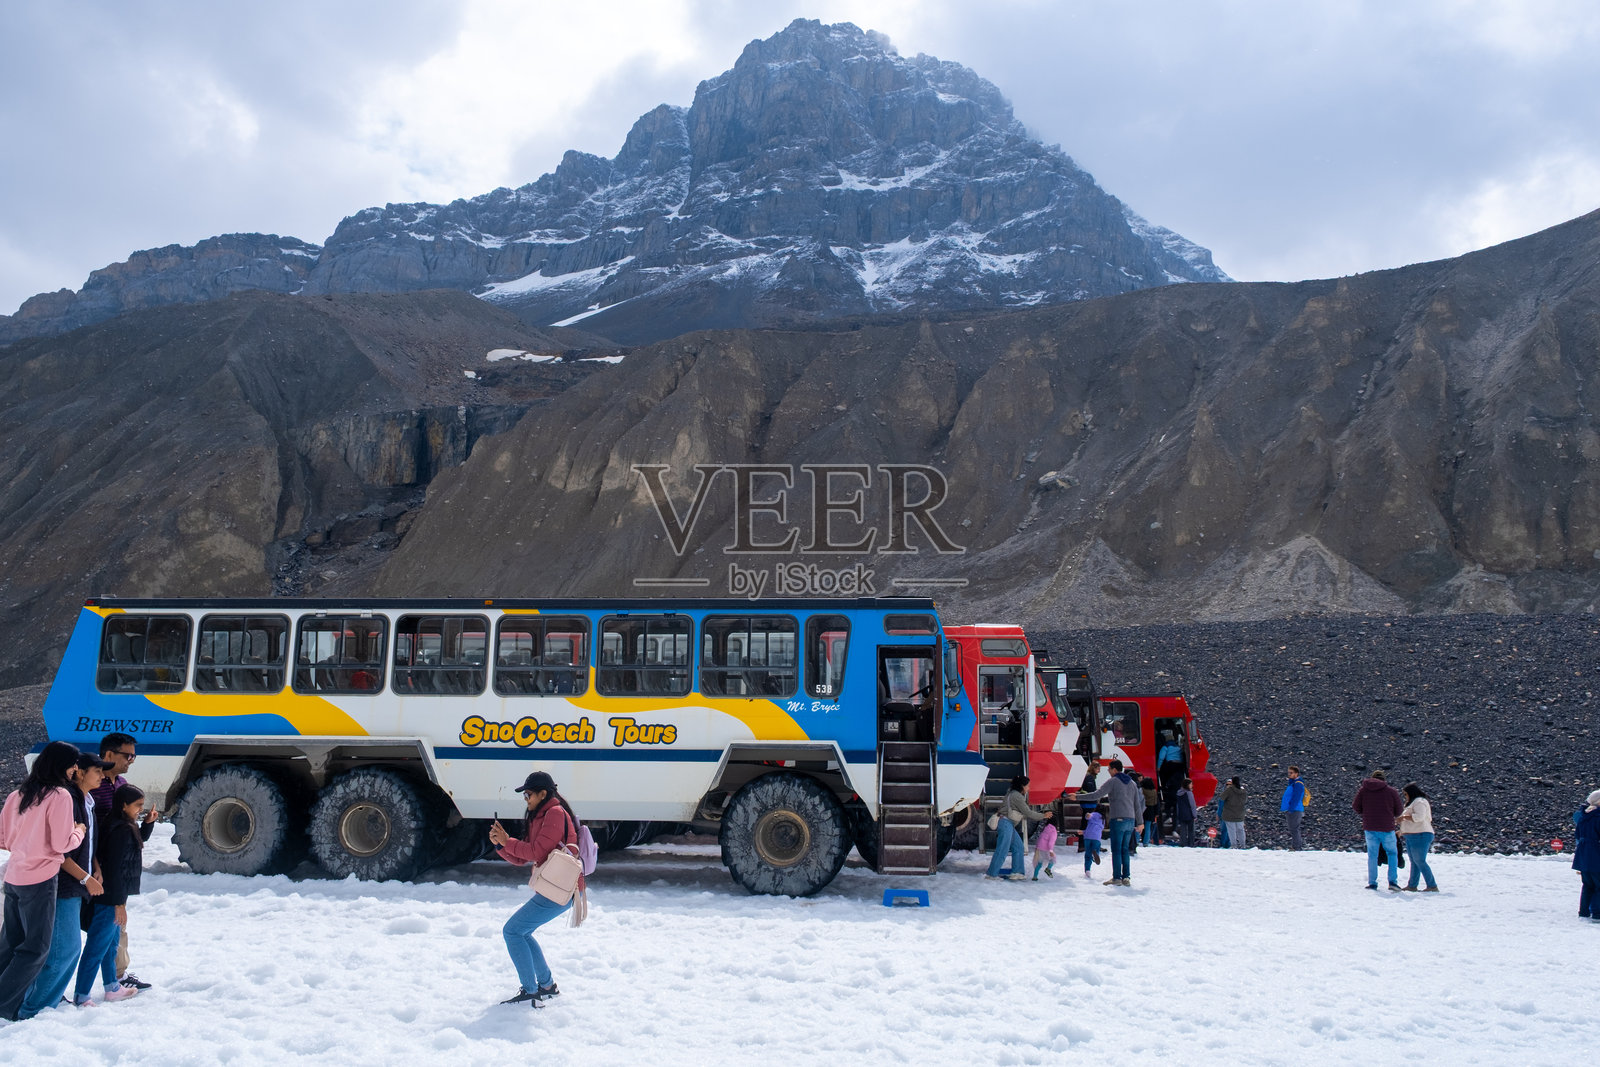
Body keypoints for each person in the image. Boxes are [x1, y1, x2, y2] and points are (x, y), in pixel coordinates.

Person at [16, 752, 112, 1018]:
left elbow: (85, 841)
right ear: (79, 772)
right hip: (62, 885)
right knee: (64, 950)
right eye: (97, 771)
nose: (102, 776)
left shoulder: (85, 800)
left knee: (60, 949)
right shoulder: (67, 800)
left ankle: (49, 1000)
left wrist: (95, 866)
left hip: (75, 884)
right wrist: (85, 877)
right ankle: (33, 1009)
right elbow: (60, 852)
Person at [0, 741, 85, 1021]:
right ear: (63, 765)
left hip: (14, 876)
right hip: (41, 879)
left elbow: (3, 839)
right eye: (74, 764)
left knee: (10, 945)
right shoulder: (60, 795)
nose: (76, 769)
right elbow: (62, 844)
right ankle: (3, 1007)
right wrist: (79, 832)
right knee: (35, 949)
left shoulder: (17, 794)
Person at [490, 771, 585, 1005]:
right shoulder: (540, 815)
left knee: (512, 931)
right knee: (521, 931)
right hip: (556, 888)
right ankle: (546, 985)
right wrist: (501, 846)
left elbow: (536, 852)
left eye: (529, 794)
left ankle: (532, 990)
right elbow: (524, 858)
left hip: (563, 890)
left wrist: (506, 841)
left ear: (543, 793)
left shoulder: (553, 813)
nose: (527, 799)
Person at [74, 784, 153, 1005]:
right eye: (138, 805)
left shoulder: (118, 824)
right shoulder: (120, 829)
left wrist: (148, 823)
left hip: (112, 896)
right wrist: (119, 903)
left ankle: (112, 987)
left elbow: (137, 841)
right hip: (109, 897)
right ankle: (82, 995)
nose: (141, 809)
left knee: (110, 945)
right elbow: (115, 868)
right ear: (124, 805)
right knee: (97, 947)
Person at [90, 733, 154, 992]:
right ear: (108, 755)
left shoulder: (122, 784)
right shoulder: (92, 782)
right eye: (127, 755)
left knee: (118, 922)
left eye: (134, 756)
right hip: (93, 865)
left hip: (116, 864)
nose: (131, 760)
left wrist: (145, 824)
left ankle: (117, 975)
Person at [1072, 760, 1143, 887]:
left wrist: (1077, 797)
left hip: (1118, 819)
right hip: (1130, 820)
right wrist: (1140, 822)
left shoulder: (1113, 781)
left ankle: (1116, 877)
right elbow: (1137, 804)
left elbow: (1096, 794)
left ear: (1114, 770)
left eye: (1109, 769)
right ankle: (1126, 877)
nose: (1108, 771)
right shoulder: (1132, 783)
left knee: (1116, 850)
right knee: (1125, 849)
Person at [987, 776, 1051, 880]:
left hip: (1008, 824)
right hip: (1005, 823)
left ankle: (1018, 872)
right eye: (1028, 786)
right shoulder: (1017, 796)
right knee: (1002, 849)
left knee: (1018, 847)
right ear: (1022, 786)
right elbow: (1028, 812)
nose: (1029, 788)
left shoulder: (1011, 793)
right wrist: (1043, 816)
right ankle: (991, 874)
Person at [1352, 769, 1404, 890]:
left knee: (1372, 855)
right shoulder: (1391, 791)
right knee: (1392, 853)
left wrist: (1365, 813)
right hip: (1387, 827)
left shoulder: (1364, 790)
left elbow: (1356, 806)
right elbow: (1399, 811)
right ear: (1384, 779)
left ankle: (1372, 883)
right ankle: (1392, 882)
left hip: (1370, 827)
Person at [1397, 782, 1438, 892]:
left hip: (1421, 834)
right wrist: (1401, 831)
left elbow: (1419, 817)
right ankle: (1412, 885)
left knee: (1419, 860)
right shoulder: (1413, 803)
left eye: (1406, 794)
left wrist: (1404, 817)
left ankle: (1432, 885)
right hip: (1411, 835)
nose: (1405, 797)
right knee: (1414, 861)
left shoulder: (1420, 802)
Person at [1573, 789, 1600, 921]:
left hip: (1583, 855)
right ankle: (1597, 913)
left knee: (1588, 885)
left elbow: (1577, 835)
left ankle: (1583, 912)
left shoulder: (1583, 816)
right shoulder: (1598, 817)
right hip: (1596, 855)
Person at [1281, 767, 1307, 851]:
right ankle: (1296, 846)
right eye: (1289, 773)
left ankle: (1296, 847)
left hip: (1295, 809)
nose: (1289, 774)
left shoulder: (1298, 784)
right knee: (1293, 828)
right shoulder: (1293, 783)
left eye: (1291, 773)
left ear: (1296, 774)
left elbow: (1296, 797)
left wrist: (1291, 809)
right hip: (1293, 809)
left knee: (1294, 828)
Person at [1220, 776, 1247, 849]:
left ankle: (1234, 846)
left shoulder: (1229, 790)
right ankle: (1243, 845)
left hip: (1229, 814)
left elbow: (1221, 797)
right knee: (1241, 830)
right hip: (1240, 814)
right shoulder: (1243, 790)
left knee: (1231, 831)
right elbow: (1245, 800)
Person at [1081, 805, 1104, 877]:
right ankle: (1095, 855)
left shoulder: (1094, 814)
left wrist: (1087, 814)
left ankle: (1087, 871)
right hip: (1096, 837)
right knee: (1096, 849)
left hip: (1087, 836)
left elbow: (1088, 816)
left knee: (1087, 854)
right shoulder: (1103, 819)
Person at [1174, 778, 1198, 847]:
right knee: (1191, 830)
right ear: (1187, 785)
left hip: (1181, 813)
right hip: (1189, 814)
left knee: (1183, 830)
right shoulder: (1189, 793)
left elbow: (1177, 805)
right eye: (1191, 784)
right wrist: (1194, 815)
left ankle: (1183, 843)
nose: (1192, 785)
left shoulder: (1178, 793)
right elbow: (1192, 804)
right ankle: (1191, 843)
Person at [1139, 776, 1162, 846]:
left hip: (1143, 809)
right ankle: (1146, 842)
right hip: (1151, 810)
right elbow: (1156, 802)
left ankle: (1137, 840)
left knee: (1139, 825)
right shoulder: (1154, 791)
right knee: (1148, 827)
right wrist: (1156, 812)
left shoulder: (1142, 790)